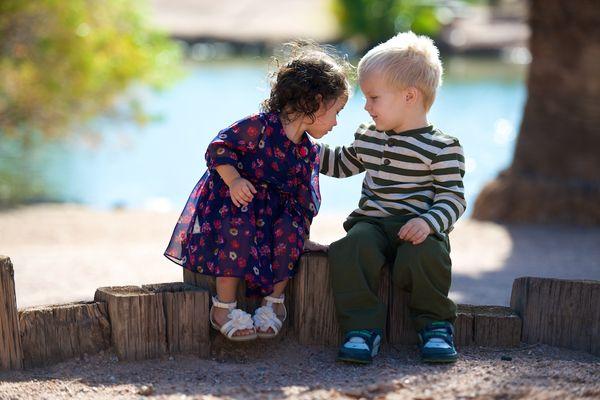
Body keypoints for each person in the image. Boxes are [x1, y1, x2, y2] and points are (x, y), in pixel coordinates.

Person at [164, 43, 350, 341]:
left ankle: (273, 303)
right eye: (337, 111)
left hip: (274, 218)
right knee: (240, 217)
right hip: (233, 207)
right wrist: (235, 180)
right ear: (316, 102)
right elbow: (219, 148)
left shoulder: (307, 151)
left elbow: (304, 200)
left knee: (291, 226)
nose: (337, 122)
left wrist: (302, 235)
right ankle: (223, 307)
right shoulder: (259, 127)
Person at [320, 32, 466, 363]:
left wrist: (428, 222)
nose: (366, 106)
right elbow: (342, 163)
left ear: (409, 96)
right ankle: (361, 329)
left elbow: (453, 199)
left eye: (373, 98)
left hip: (417, 226)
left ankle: (435, 326)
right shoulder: (370, 136)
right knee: (351, 247)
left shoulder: (442, 147)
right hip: (372, 222)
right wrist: (304, 151)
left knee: (426, 255)